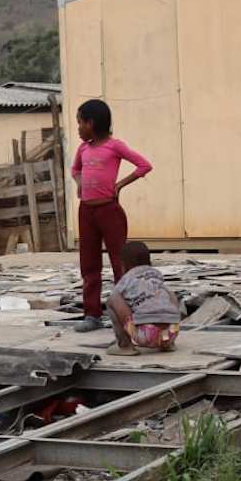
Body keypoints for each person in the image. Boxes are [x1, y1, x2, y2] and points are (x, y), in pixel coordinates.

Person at [70, 98, 152, 332]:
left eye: (80, 123)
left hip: (109, 210)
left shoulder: (115, 146)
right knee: (89, 264)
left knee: (120, 262)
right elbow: (75, 169)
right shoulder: (83, 149)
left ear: (91, 123)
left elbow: (144, 165)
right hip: (86, 211)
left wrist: (120, 185)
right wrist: (79, 182)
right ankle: (92, 314)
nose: (78, 128)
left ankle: (125, 312)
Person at [105, 241, 182, 356]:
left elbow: (118, 298)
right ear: (150, 263)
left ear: (123, 265)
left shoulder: (126, 280)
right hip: (171, 333)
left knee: (113, 299)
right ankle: (167, 345)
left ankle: (125, 345)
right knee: (169, 293)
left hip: (146, 335)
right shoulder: (156, 274)